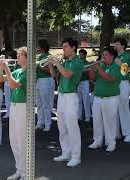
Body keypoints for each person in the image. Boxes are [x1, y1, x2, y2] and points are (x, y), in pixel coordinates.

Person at [48, 38, 84, 167]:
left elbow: (68, 75)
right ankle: (66, 152)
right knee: (61, 126)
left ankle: (76, 156)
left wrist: (57, 63)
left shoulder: (77, 62)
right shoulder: (65, 61)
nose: (63, 49)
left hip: (70, 97)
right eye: (63, 46)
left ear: (73, 47)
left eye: (66, 46)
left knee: (72, 127)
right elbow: (54, 75)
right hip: (62, 96)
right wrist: (51, 64)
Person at [0, 47, 27, 180]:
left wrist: (7, 69)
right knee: (14, 140)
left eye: (20, 55)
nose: (18, 57)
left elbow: (14, 85)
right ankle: (19, 169)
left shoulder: (29, 72)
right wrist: (0, 66)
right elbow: (0, 79)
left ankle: (26, 172)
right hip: (14, 106)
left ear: (27, 57)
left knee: (23, 140)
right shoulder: (18, 70)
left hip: (24, 106)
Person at [88, 47, 122, 152]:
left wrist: (98, 69)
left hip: (111, 98)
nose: (103, 57)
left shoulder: (116, 67)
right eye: (103, 55)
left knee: (110, 122)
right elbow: (93, 79)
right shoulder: (101, 66)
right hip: (98, 98)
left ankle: (111, 143)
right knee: (97, 120)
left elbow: (110, 79)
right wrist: (92, 70)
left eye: (106, 55)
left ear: (112, 56)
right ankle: (97, 141)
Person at [114, 38, 130, 143]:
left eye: (117, 44)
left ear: (123, 46)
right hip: (114, 84)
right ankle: (116, 133)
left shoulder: (127, 56)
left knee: (124, 109)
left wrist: (119, 62)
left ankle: (127, 134)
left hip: (123, 83)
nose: (115, 46)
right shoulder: (115, 56)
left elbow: (126, 71)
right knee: (115, 109)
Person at [35, 39, 54, 132]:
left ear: (42, 47)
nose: (37, 48)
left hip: (46, 80)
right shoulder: (40, 57)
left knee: (46, 104)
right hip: (38, 81)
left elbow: (50, 72)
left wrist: (40, 67)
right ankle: (40, 122)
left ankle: (48, 124)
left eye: (38, 46)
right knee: (38, 103)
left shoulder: (49, 56)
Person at [77, 49, 92, 122]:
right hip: (77, 83)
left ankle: (87, 116)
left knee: (86, 100)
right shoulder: (77, 62)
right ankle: (79, 116)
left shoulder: (88, 63)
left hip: (85, 82)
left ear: (85, 55)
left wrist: (84, 71)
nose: (80, 56)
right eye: (80, 54)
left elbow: (88, 73)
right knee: (78, 100)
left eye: (82, 54)